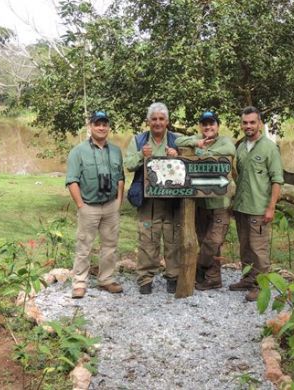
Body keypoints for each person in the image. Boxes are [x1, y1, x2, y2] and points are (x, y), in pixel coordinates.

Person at [65, 111, 125, 299]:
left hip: (110, 206)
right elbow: (72, 180)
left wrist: (119, 201)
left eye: (104, 124)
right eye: (97, 124)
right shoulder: (78, 151)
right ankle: (80, 282)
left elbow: (121, 178)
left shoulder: (115, 151)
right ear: (90, 126)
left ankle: (106, 279)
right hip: (88, 206)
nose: (101, 127)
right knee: (84, 245)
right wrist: (81, 205)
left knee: (110, 245)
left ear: (108, 127)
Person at [124, 102, 181, 294]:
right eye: (154, 119)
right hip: (148, 200)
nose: (157, 122)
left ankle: (173, 276)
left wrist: (179, 155)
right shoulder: (138, 141)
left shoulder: (177, 140)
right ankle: (145, 278)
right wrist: (142, 155)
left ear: (167, 121)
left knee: (173, 238)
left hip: (173, 200)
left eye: (161, 119)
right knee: (147, 239)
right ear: (148, 121)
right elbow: (129, 164)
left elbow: (196, 152)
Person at [176, 110, 236, 290]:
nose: (208, 127)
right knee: (203, 239)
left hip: (220, 203)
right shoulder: (197, 139)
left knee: (213, 241)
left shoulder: (224, 141)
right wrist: (196, 143)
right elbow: (178, 142)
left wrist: (203, 152)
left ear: (218, 126)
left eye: (211, 124)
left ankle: (198, 268)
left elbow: (229, 151)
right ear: (200, 126)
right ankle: (213, 278)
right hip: (201, 203)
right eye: (204, 124)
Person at [230, 106, 284, 302]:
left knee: (258, 250)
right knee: (245, 247)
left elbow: (277, 179)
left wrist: (271, 207)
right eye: (245, 123)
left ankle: (261, 287)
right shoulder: (241, 147)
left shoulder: (269, 148)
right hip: (242, 207)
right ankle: (247, 279)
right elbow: (239, 175)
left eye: (252, 122)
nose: (248, 126)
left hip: (259, 209)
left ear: (260, 123)